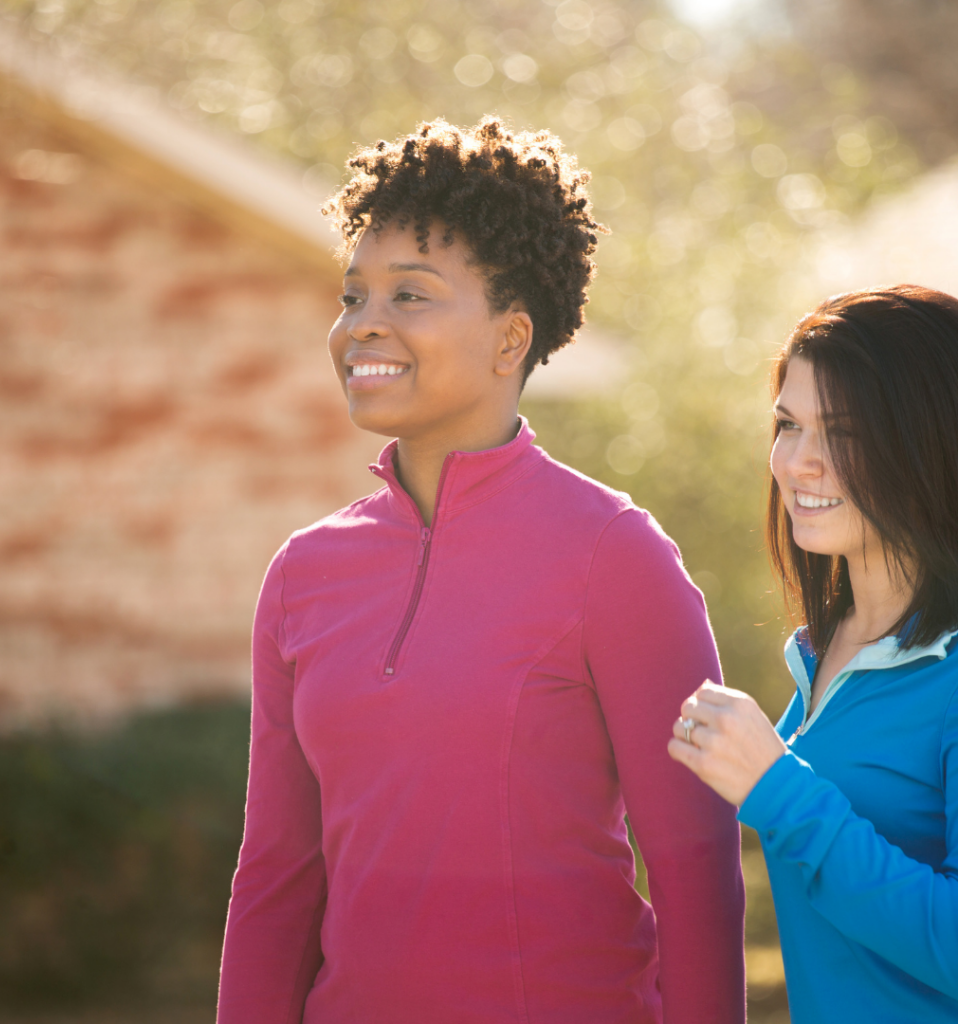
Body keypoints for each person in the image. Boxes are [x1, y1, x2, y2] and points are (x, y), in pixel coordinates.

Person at [217, 117, 745, 1024]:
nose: (362, 325)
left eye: (410, 296)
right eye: (353, 295)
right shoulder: (304, 573)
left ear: (511, 340)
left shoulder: (615, 555)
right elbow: (276, 874)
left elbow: (696, 866)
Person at [669, 285, 958, 1023]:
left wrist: (778, 789)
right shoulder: (828, 658)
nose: (798, 462)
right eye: (788, 424)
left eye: (845, 434)